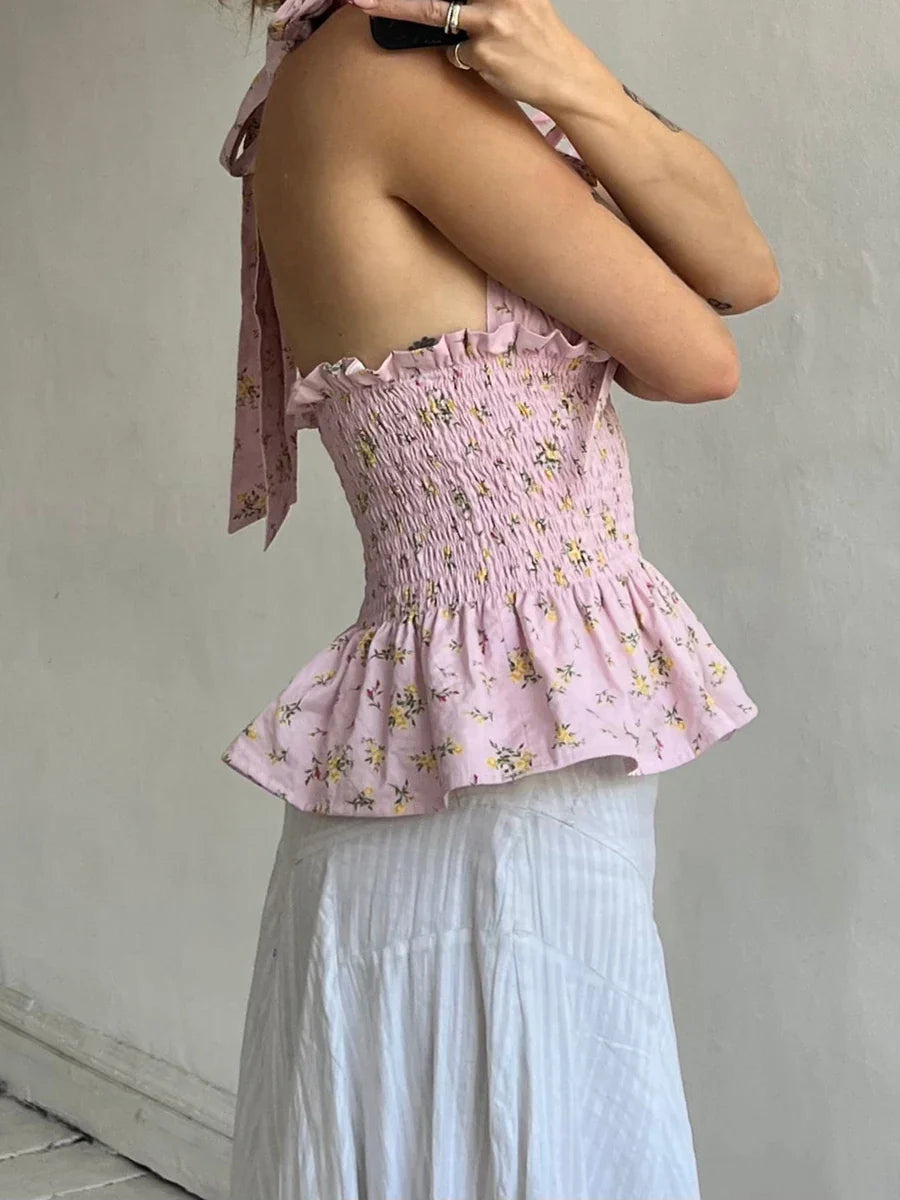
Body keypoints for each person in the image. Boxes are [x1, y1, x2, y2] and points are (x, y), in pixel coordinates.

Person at [216, 1, 779, 1196]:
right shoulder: (382, 72)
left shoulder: (362, 68)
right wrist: (574, 90)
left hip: (484, 736)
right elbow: (700, 355)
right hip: (500, 761)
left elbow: (743, 270)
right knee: (534, 1137)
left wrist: (571, 75)